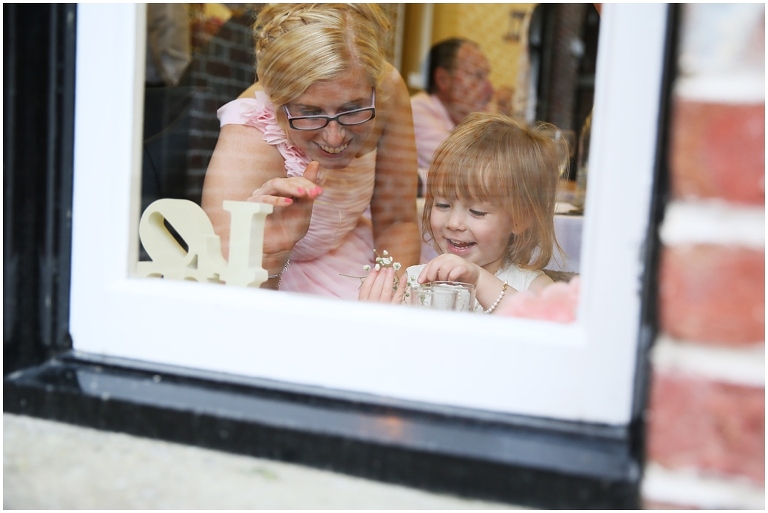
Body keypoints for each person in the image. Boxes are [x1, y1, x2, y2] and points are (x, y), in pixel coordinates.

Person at [201, 4, 420, 300]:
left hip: (356, 255)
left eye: (352, 109)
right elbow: (225, 291)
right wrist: (271, 258)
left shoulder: (388, 91)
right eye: (310, 112)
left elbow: (397, 221)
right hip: (275, 285)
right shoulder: (249, 141)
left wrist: (388, 295)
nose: (335, 136)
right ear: (279, 104)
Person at [359, 112, 564, 314]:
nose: (454, 223)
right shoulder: (415, 281)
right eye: (442, 205)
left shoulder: (533, 288)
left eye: (477, 212)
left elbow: (543, 328)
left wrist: (479, 279)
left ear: (521, 218)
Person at [410, 38, 494, 195]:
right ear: (443, 79)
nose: (490, 90)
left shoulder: (460, 120)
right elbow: (473, 170)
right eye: (478, 76)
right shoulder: (416, 111)